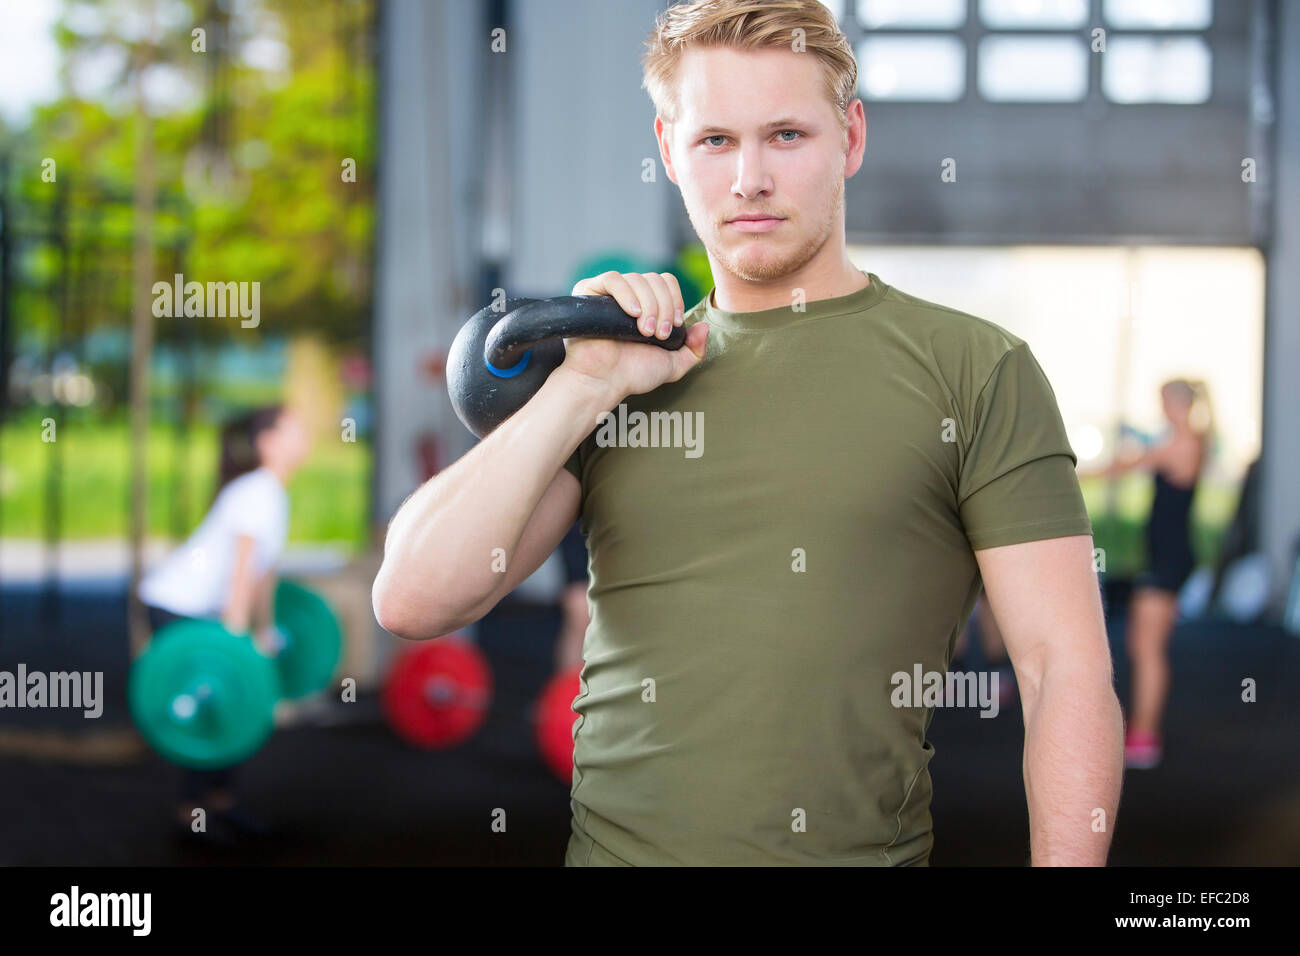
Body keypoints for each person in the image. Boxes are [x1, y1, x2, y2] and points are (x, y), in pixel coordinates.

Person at [374, 0, 1122, 866]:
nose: (749, 180)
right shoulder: (617, 373)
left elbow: (1062, 671)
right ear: (668, 151)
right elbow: (412, 600)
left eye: (788, 137)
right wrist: (581, 385)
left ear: (851, 138)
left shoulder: (976, 370)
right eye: (715, 141)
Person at [138, 404, 312, 842]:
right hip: (176, 603)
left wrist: (265, 631)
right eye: (295, 430)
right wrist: (238, 644)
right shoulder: (258, 493)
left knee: (233, 705)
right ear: (267, 442)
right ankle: (191, 816)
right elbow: (241, 573)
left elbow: (264, 573)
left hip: (204, 609)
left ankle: (222, 805)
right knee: (212, 704)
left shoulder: (272, 491)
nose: (305, 437)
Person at [1078, 380, 1214, 768]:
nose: (1162, 409)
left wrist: (1070, 474)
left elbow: (1125, 465)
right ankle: (1141, 729)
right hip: (1165, 557)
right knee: (1142, 644)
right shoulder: (1180, 441)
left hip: (1169, 560)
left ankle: (1145, 736)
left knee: (1148, 647)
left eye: (1165, 402)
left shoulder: (1182, 444)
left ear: (1179, 404)